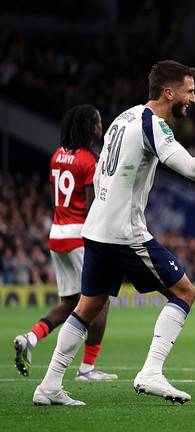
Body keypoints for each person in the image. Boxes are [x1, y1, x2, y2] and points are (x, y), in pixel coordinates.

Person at [32, 60, 195, 406]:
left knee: (87, 307)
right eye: (189, 91)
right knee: (184, 293)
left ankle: (49, 385)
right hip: (124, 233)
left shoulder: (124, 117)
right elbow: (194, 170)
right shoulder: (153, 124)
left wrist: (108, 209)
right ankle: (151, 371)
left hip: (96, 229)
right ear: (169, 92)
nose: (193, 99)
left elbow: (101, 175)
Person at [14, 105, 117, 381]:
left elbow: (54, 198)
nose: (101, 127)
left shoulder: (57, 155)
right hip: (79, 235)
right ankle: (87, 369)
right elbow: (93, 206)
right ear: (89, 127)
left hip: (58, 232)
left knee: (71, 302)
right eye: (98, 122)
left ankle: (30, 338)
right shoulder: (88, 160)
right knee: (100, 301)